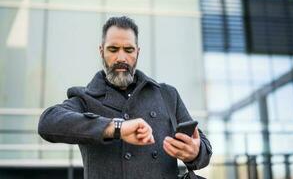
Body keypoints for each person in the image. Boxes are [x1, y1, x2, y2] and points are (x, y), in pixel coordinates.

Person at [38, 16, 212, 179]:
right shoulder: (85, 97)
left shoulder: (167, 94)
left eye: (128, 50)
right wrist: (115, 127)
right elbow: (48, 122)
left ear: (137, 52)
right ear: (101, 51)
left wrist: (195, 151)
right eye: (113, 49)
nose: (121, 58)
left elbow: (202, 146)